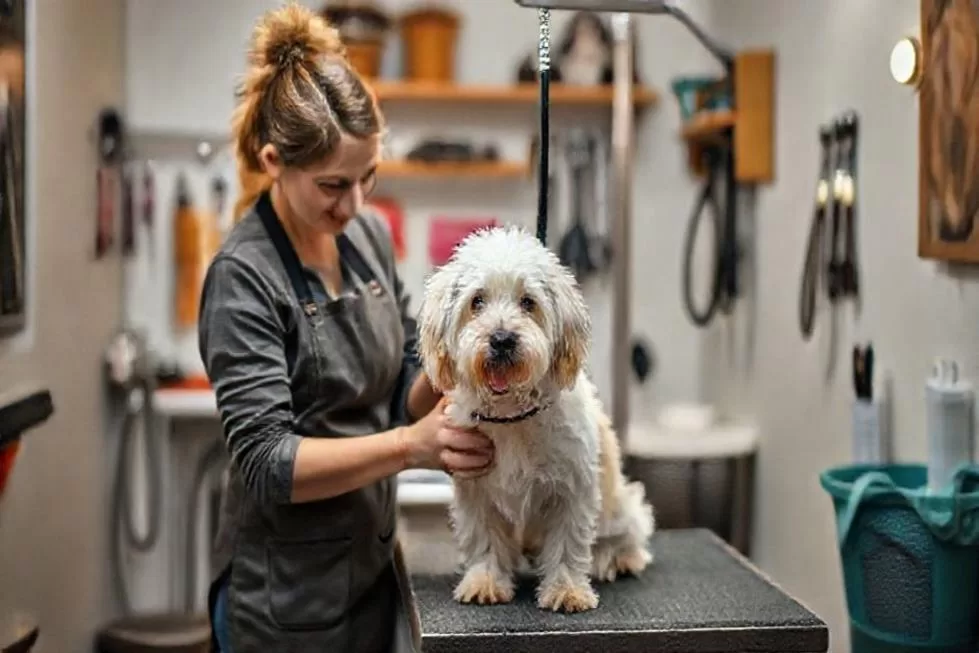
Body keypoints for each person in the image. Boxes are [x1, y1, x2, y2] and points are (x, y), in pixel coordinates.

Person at [198, 5, 495, 652]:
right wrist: (411, 446)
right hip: (281, 600)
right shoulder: (243, 276)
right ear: (274, 161)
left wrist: (450, 366)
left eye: (368, 177)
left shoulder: (363, 235)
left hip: (367, 573)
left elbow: (401, 377)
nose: (355, 204)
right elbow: (268, 462)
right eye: (333, 185)